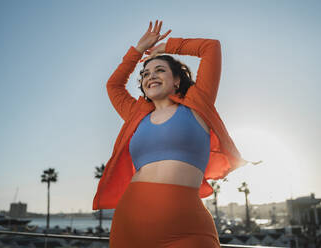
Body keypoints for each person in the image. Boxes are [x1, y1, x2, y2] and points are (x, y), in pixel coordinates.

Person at [93, 20, 250, 247]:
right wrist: (137, 50)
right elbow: (114, 85)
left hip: (186, 229)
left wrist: (167, 47)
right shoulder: (136, 114)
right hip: (130, 225)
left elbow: (211, 48)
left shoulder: (198, 103)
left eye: (159, 70)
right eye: (145, 74)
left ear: (177, 80)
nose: (151, 76)